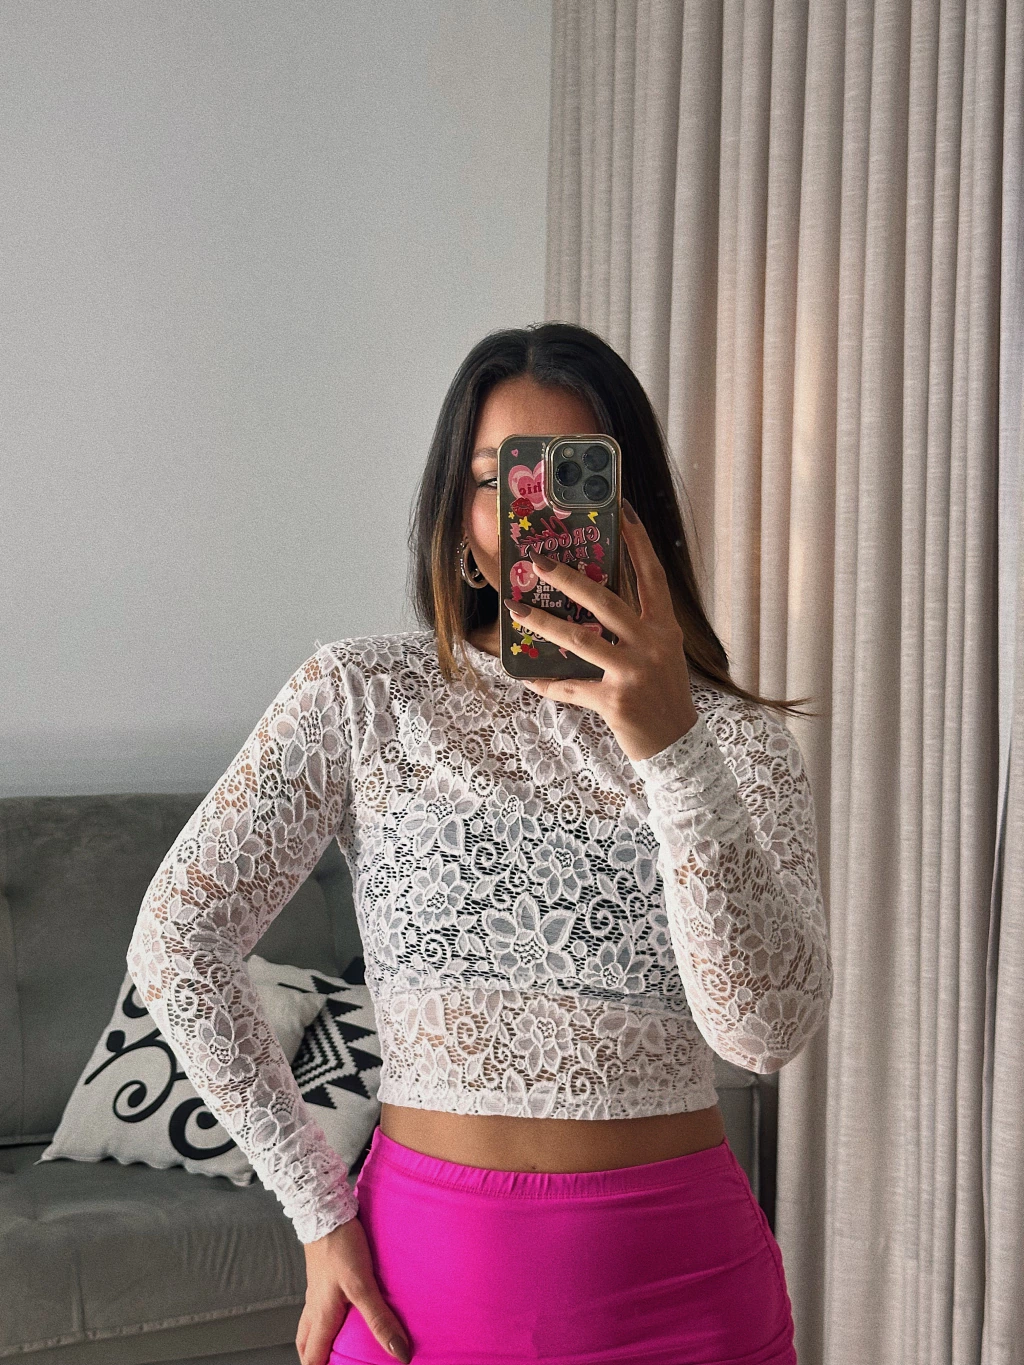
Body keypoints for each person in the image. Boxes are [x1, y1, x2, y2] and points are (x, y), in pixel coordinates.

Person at [126, 321, 833, 1365]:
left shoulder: (733, 744)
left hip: (683, 1300)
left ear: (630, 507)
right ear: (457, 519)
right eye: (495, 480)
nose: (531, 515)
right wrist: (315, 1209)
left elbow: (764, 1034)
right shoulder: (363, 696)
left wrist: (671, 749)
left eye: (566, 476)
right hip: (419, 1300)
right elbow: (176, 941)